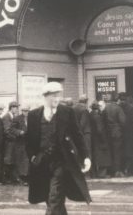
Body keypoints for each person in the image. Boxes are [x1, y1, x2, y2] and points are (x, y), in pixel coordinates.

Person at [26, 82, 91, 215]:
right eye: (53, 97)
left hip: (61, 161)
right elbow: (30, 140)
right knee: (50, 198)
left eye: (58, 96)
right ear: (45, 97)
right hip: (41, 161)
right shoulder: (33, 115)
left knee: (54, 196)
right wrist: (32, 157)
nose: (56, 99)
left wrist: (85, 157)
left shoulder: (67, 112)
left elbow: (77, 135)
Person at [118, 93, 133, 176]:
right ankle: (128, 169)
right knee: (130, 152)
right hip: (130, 134)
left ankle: (123, 169)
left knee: (124, 152)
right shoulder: (131, 109)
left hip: (122, 134)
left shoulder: (119, 107)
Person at [103, 97, 126, 177]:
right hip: (117, 132)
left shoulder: (106, 108)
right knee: (117, 151)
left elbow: (103, 120)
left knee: (110, 151)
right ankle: (117, 170)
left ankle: (110, 171)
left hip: (108, 132)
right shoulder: (118, 108)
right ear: (118, 100)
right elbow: (123, 121)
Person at [91, 100, 112, 178]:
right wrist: (104, 139)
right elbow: (100, 129)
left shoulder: (90, 114)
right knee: (103, 156)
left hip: (93, 138)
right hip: (99, 139)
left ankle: (94, 173)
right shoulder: (97, 116)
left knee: (95, 155)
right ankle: (102, 174)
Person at [2, 101, 22, 184]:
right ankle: (5, 179)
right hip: (9, 142)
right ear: (11, 108)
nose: (17, 109)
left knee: (12, 159)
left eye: (17, 107)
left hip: (12, 142)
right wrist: (15, 138)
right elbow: (7, 131)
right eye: (16, 108)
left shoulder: (12, 116)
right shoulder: (7, 117)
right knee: (8, 160)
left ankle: (11, 178)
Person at [73, 95, 92, 164]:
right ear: (86, 101)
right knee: (87, 151)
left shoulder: (73, 108)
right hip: (85, 134)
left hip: (76, 133)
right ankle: (88, 172)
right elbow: (83, 123)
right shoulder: (84, 110)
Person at [15, 106, 30, 184]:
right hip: (20, 143)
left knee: (28, 160)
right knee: (21, 160)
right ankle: (22, 177)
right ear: (22, 111)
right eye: (24, 111)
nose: (26, 112)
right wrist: (19, 132)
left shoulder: (32, 118)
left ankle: (28, 177)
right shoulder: (17, 118)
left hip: (29, 142)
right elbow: (12, 129)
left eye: (27, 111)